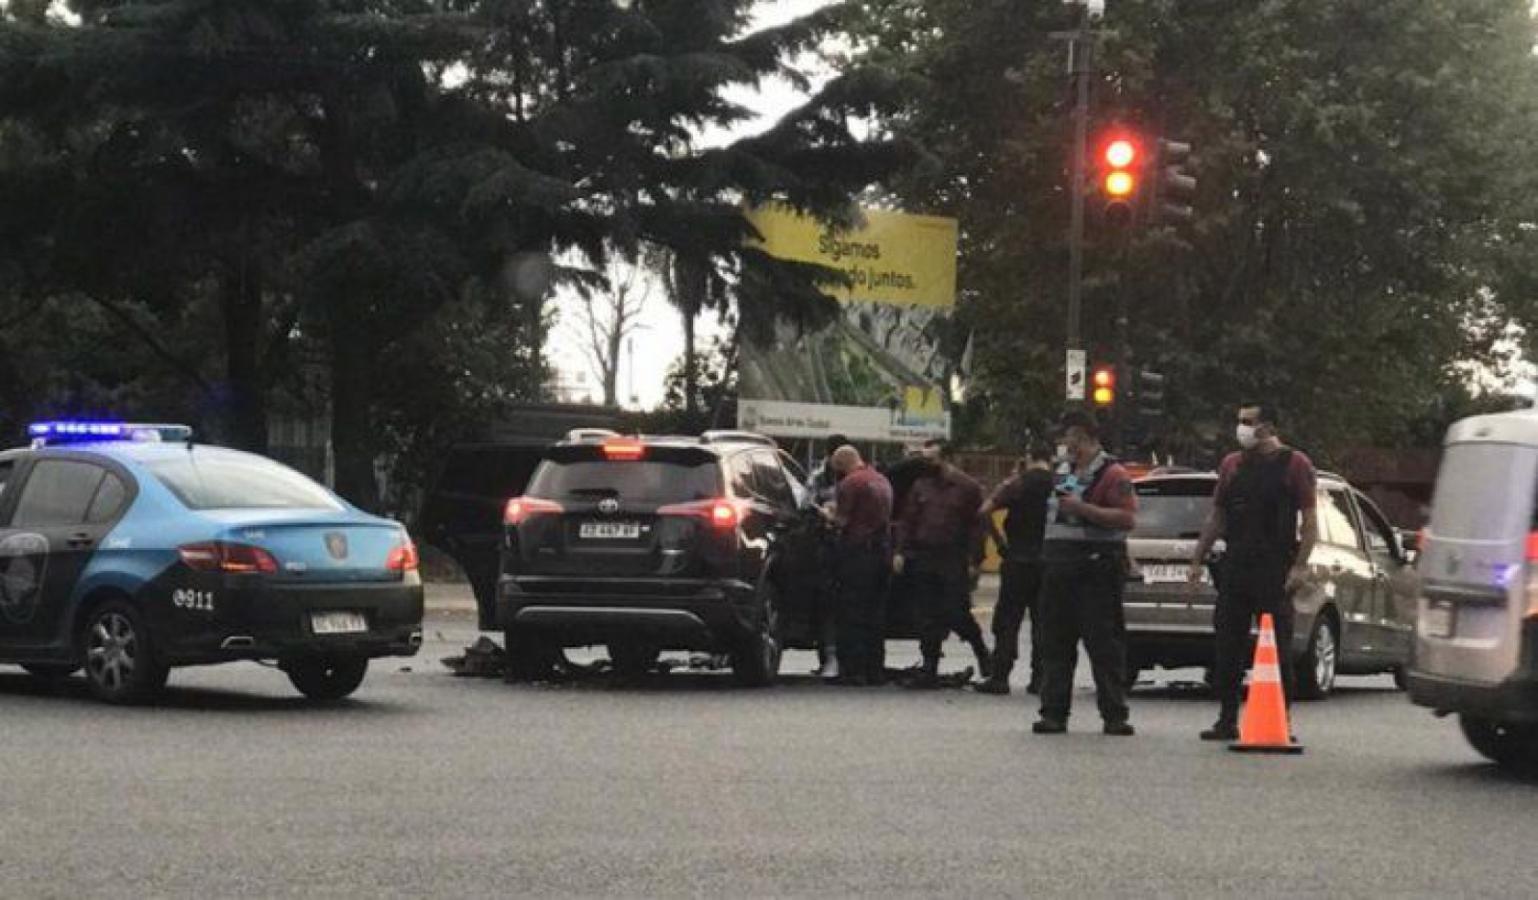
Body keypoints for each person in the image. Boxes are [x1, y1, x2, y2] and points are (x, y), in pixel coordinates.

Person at [1187, 402, 1319, 742]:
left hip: (1275, 567)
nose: (1242, 428)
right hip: (1237, 565)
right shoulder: (1232, 464)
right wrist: (1198, 557)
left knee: (1276, 645)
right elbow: (1217, 516)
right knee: (1227, 645)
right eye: (1240, 421)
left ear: (1268, 427)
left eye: (1249, 422)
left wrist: (1300, 565)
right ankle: (1226, 718)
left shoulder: (1295, 464)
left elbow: (1309, 520)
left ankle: (1279, 718)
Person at [1033, 411, 1138, 736]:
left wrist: (1085, 510)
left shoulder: (1112, 473)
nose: (1069, 445)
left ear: (1089, 438)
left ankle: (1114, 714)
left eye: (1074, 439)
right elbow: (1061, 515)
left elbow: (1126, 519)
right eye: (1067, 439)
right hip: (1060, 568)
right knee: (1056, 643)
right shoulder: (1064, 471)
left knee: (1103, 643)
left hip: (1096, 568)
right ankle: (1054, 712)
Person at [894, 439, 992, 688]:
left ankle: (982, 652)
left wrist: (975, 559)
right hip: (924, 555)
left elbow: (978, 526)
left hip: (953, 557)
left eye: (931, 459)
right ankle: (930, 666)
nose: (926, 464)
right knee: (926, 613)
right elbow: (909, 520)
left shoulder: (967, 487)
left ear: (948, 458)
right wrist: (901, 551)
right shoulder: (921, 486)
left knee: (956, 610)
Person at [975, 442, 1055, 696]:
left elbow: (985, 511)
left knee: (1008, 619)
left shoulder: (1017, 484)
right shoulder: (1060, 484)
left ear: (1028, 458)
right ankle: (1039, 678)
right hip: (1049, 561)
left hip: (1018, 559)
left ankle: (1000, 676)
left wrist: (1000, 544)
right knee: (1043, 622)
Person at [824, 445, 894, 686]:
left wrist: (827, 514)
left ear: (842, 465)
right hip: (882, 553)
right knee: (875, 614)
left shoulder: (850, 484)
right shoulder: (881, 480)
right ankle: (874, 670)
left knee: (851, 613)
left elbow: (841, 522)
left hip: (858, 555)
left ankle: (852, 671)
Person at [807, 433, 851, 678]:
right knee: (826, 605)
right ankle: (829, 658)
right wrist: (822, 512)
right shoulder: (818, 477)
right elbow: (807, 504)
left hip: (852, 545)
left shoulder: (858, 476)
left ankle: (851, 660)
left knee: (850, 605)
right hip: (826, 546)